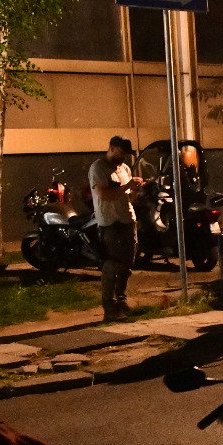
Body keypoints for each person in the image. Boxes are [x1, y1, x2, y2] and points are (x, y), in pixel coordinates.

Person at [88, 136, 144, 320]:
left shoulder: (125, 169)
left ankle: (121, 300)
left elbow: (128, 198)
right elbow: (103, 194)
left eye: (126, 155)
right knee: (111, 265)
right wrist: (127, 186)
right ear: (111, 148)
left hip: (128, 220)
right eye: (121, 153)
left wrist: (134, 190)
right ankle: (109, 307)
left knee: (127, 264)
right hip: (110, 223)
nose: (123, 158)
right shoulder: (98, 168)